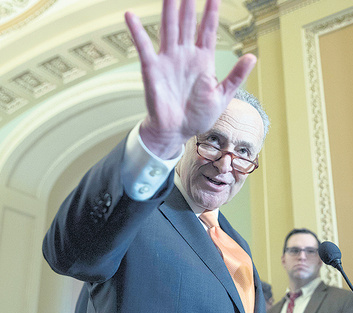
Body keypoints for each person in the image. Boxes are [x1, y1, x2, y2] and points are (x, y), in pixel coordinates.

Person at [42, 0, 270, 312]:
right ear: (189, 139)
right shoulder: (137, 212)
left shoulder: (238, 246)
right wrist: (156, 141)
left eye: (244, 152)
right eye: (214, 141)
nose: (226, 164)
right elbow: (70, 255)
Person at [268, 228, 353, 313]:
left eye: (310, 251)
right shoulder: (272, 310)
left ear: (320, 260)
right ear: (283, 260)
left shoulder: (346, 300)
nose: (302, 257)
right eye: (294, 250)